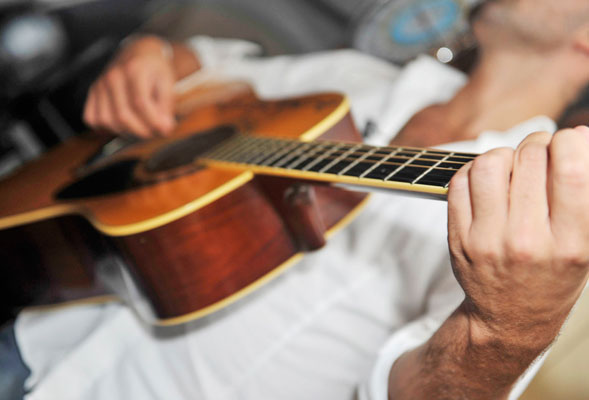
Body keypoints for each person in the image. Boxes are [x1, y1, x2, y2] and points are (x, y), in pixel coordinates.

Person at [10, 0, 589, 399]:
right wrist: (154, 54)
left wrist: (506, 329)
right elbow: (216, 68)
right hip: (47, 328)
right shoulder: (360, 75)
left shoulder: (540, 216)